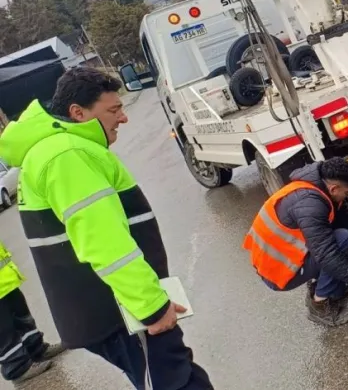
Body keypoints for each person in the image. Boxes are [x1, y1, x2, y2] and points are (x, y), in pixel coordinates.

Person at [0, 68, 213, 390]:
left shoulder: (51, 150)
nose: (123, 118)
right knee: (178, 384)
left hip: (110, 307)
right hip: (120, 309)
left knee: (179, 379)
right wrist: (152, 308)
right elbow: (104, 242)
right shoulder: (67, 154)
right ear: (78, 113)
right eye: (114, 110)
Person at [243, 158, 348, 327]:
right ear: (334, 188)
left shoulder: (320, 189)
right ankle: (320, 306)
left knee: (340, 235)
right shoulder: (310, 204)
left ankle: (331, 289)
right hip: (278, 270)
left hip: (285, 258)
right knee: (342, 240)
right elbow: (327, 255)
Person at [0, 239, 65, 385]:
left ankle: (35, 348)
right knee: (3, 324)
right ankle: (16, 366)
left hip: (3, 279)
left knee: (17, 307)